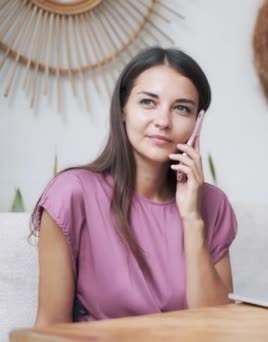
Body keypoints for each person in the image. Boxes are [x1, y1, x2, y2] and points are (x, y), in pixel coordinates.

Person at [30, 47, 237, 325]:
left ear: (197, 124)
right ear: (123, 109)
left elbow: (218, 326)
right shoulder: (72, 194)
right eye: (148, 102)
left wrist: (191, 219)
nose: (163, 121)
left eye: (181, 108)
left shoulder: (212, 204)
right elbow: (49, 330)